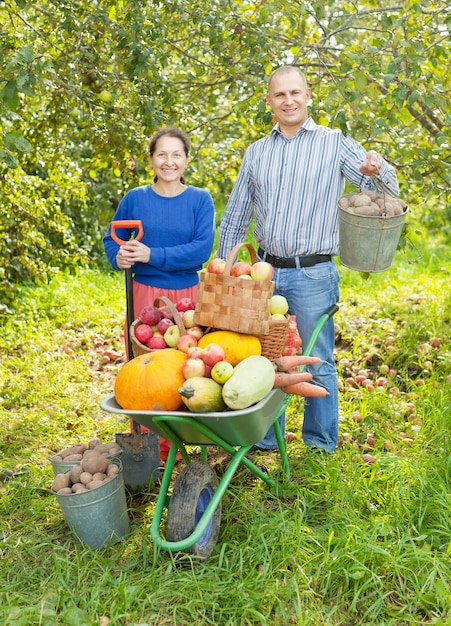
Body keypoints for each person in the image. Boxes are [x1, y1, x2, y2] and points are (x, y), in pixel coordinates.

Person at [217, 66, 399, 453]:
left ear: (308, 95)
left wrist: (376, 168)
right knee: (260, 359)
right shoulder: (257, 152)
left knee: (317, 358)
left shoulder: (334, 142)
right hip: (262, 273)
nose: (289, 100)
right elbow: (236, 215)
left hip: (313, 271)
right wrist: (223, 273)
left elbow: (381, 192)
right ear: (269, 101)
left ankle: (319, 444)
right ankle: (265, 438)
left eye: (295, 93)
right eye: (280, 95)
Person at [103, 126, 216, 460]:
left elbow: (201, 250)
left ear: (186, 159)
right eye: (162, 154)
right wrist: (119, 256)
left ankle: (188, 437)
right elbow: (113, 238)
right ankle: (155, 447)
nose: (169, 162)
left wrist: (153, 255)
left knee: (188, 366)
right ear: (151, 159)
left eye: (176, 154)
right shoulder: (135, 199)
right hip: (145, 297)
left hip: (188, 297)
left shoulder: (200, 199)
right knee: (147, 368)